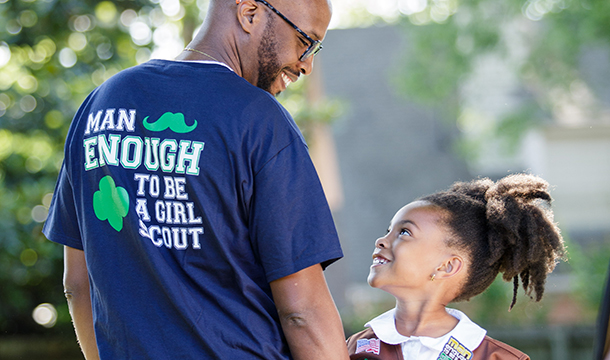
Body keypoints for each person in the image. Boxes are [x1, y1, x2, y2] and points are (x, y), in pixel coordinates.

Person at [42, 0, 349, 359]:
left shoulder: (101, 106)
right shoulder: (261, 122)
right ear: (249, 13)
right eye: (305, 41)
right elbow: (302, 312)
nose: (307, 64)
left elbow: (78, 285)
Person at [346, 174, 566, 360]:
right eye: (388, 230)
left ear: (447, 266)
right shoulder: (351, 348)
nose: (381, 240)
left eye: (404, 232)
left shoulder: (496, 357)